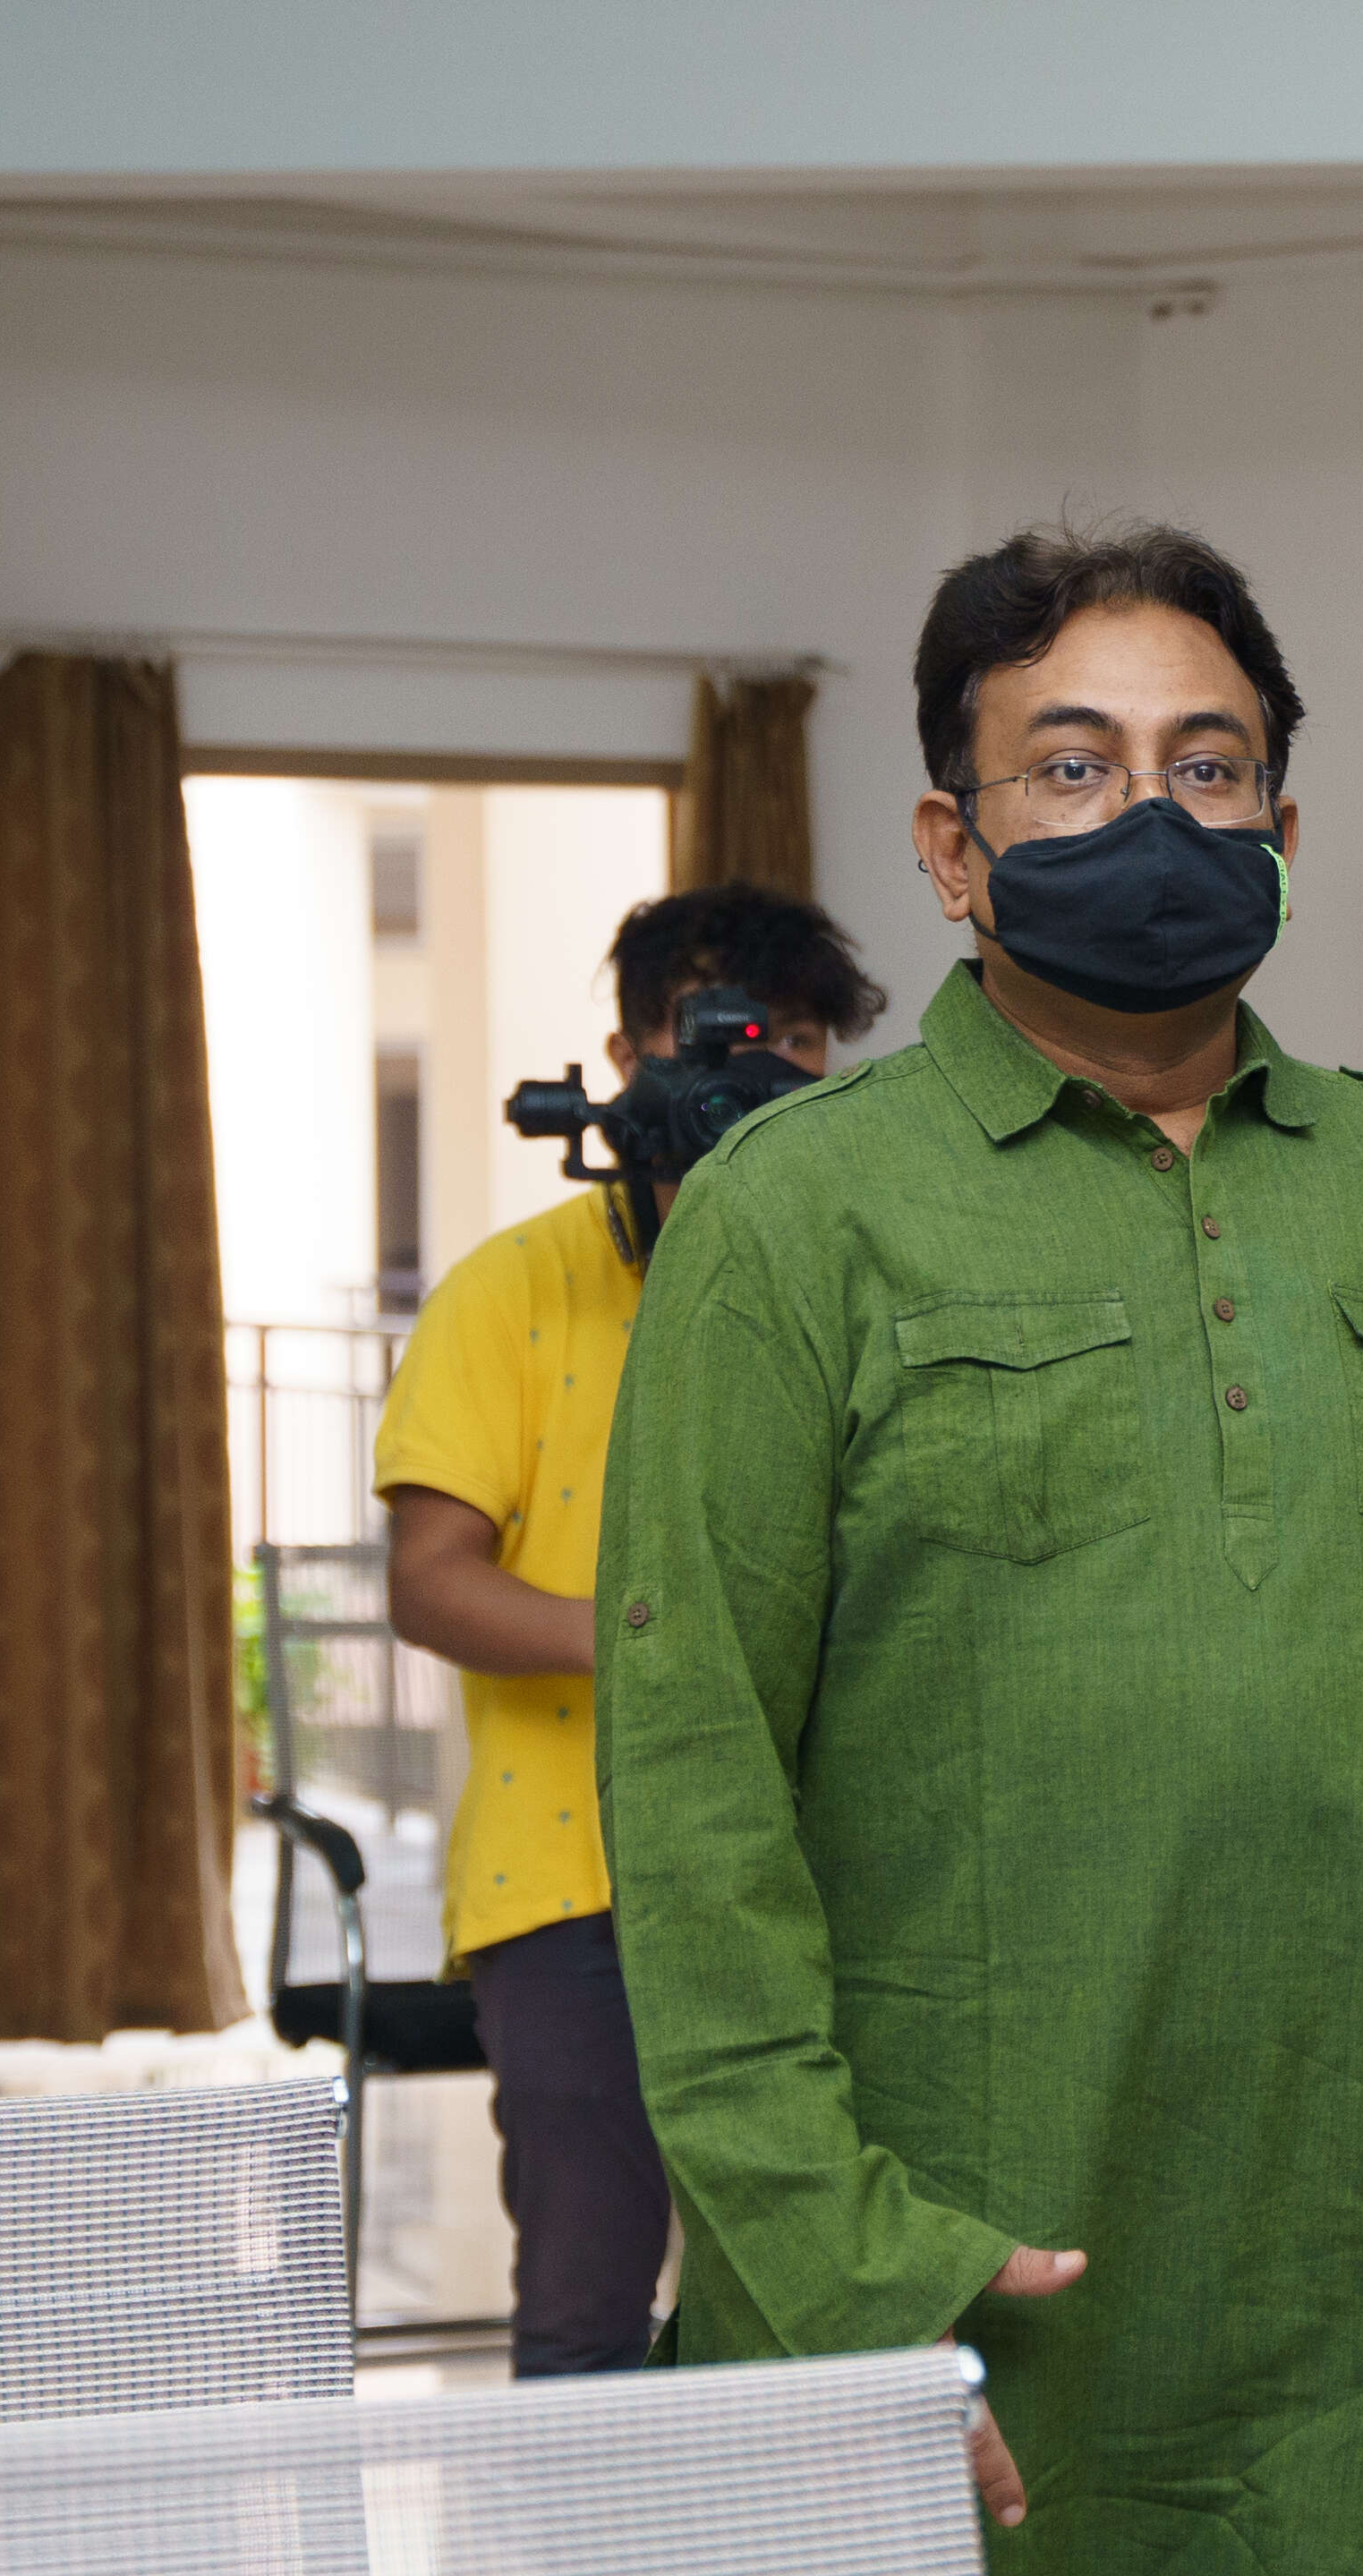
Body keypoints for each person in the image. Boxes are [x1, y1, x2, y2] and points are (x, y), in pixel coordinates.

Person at [597, 521, 1363, 2576]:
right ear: (950, 845)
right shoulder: (796, 1221)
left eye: (1210, 764)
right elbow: (698, 1794)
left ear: (1286, 817)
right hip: (969, 2278)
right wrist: (841, 2267)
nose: (1151, 819)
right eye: (1070, 769)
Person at [368, 880, 882, 2378]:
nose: (753, 1067)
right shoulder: (507, 1292)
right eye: (713, 1030)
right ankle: (587, 2539)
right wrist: (662, 1638)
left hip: (819, 1865)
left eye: (794, 1038)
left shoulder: (857, 1282)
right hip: (568, 1877)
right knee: (587, 2300)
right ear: (624, 1055)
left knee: (819, 2279)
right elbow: (429, 1579)